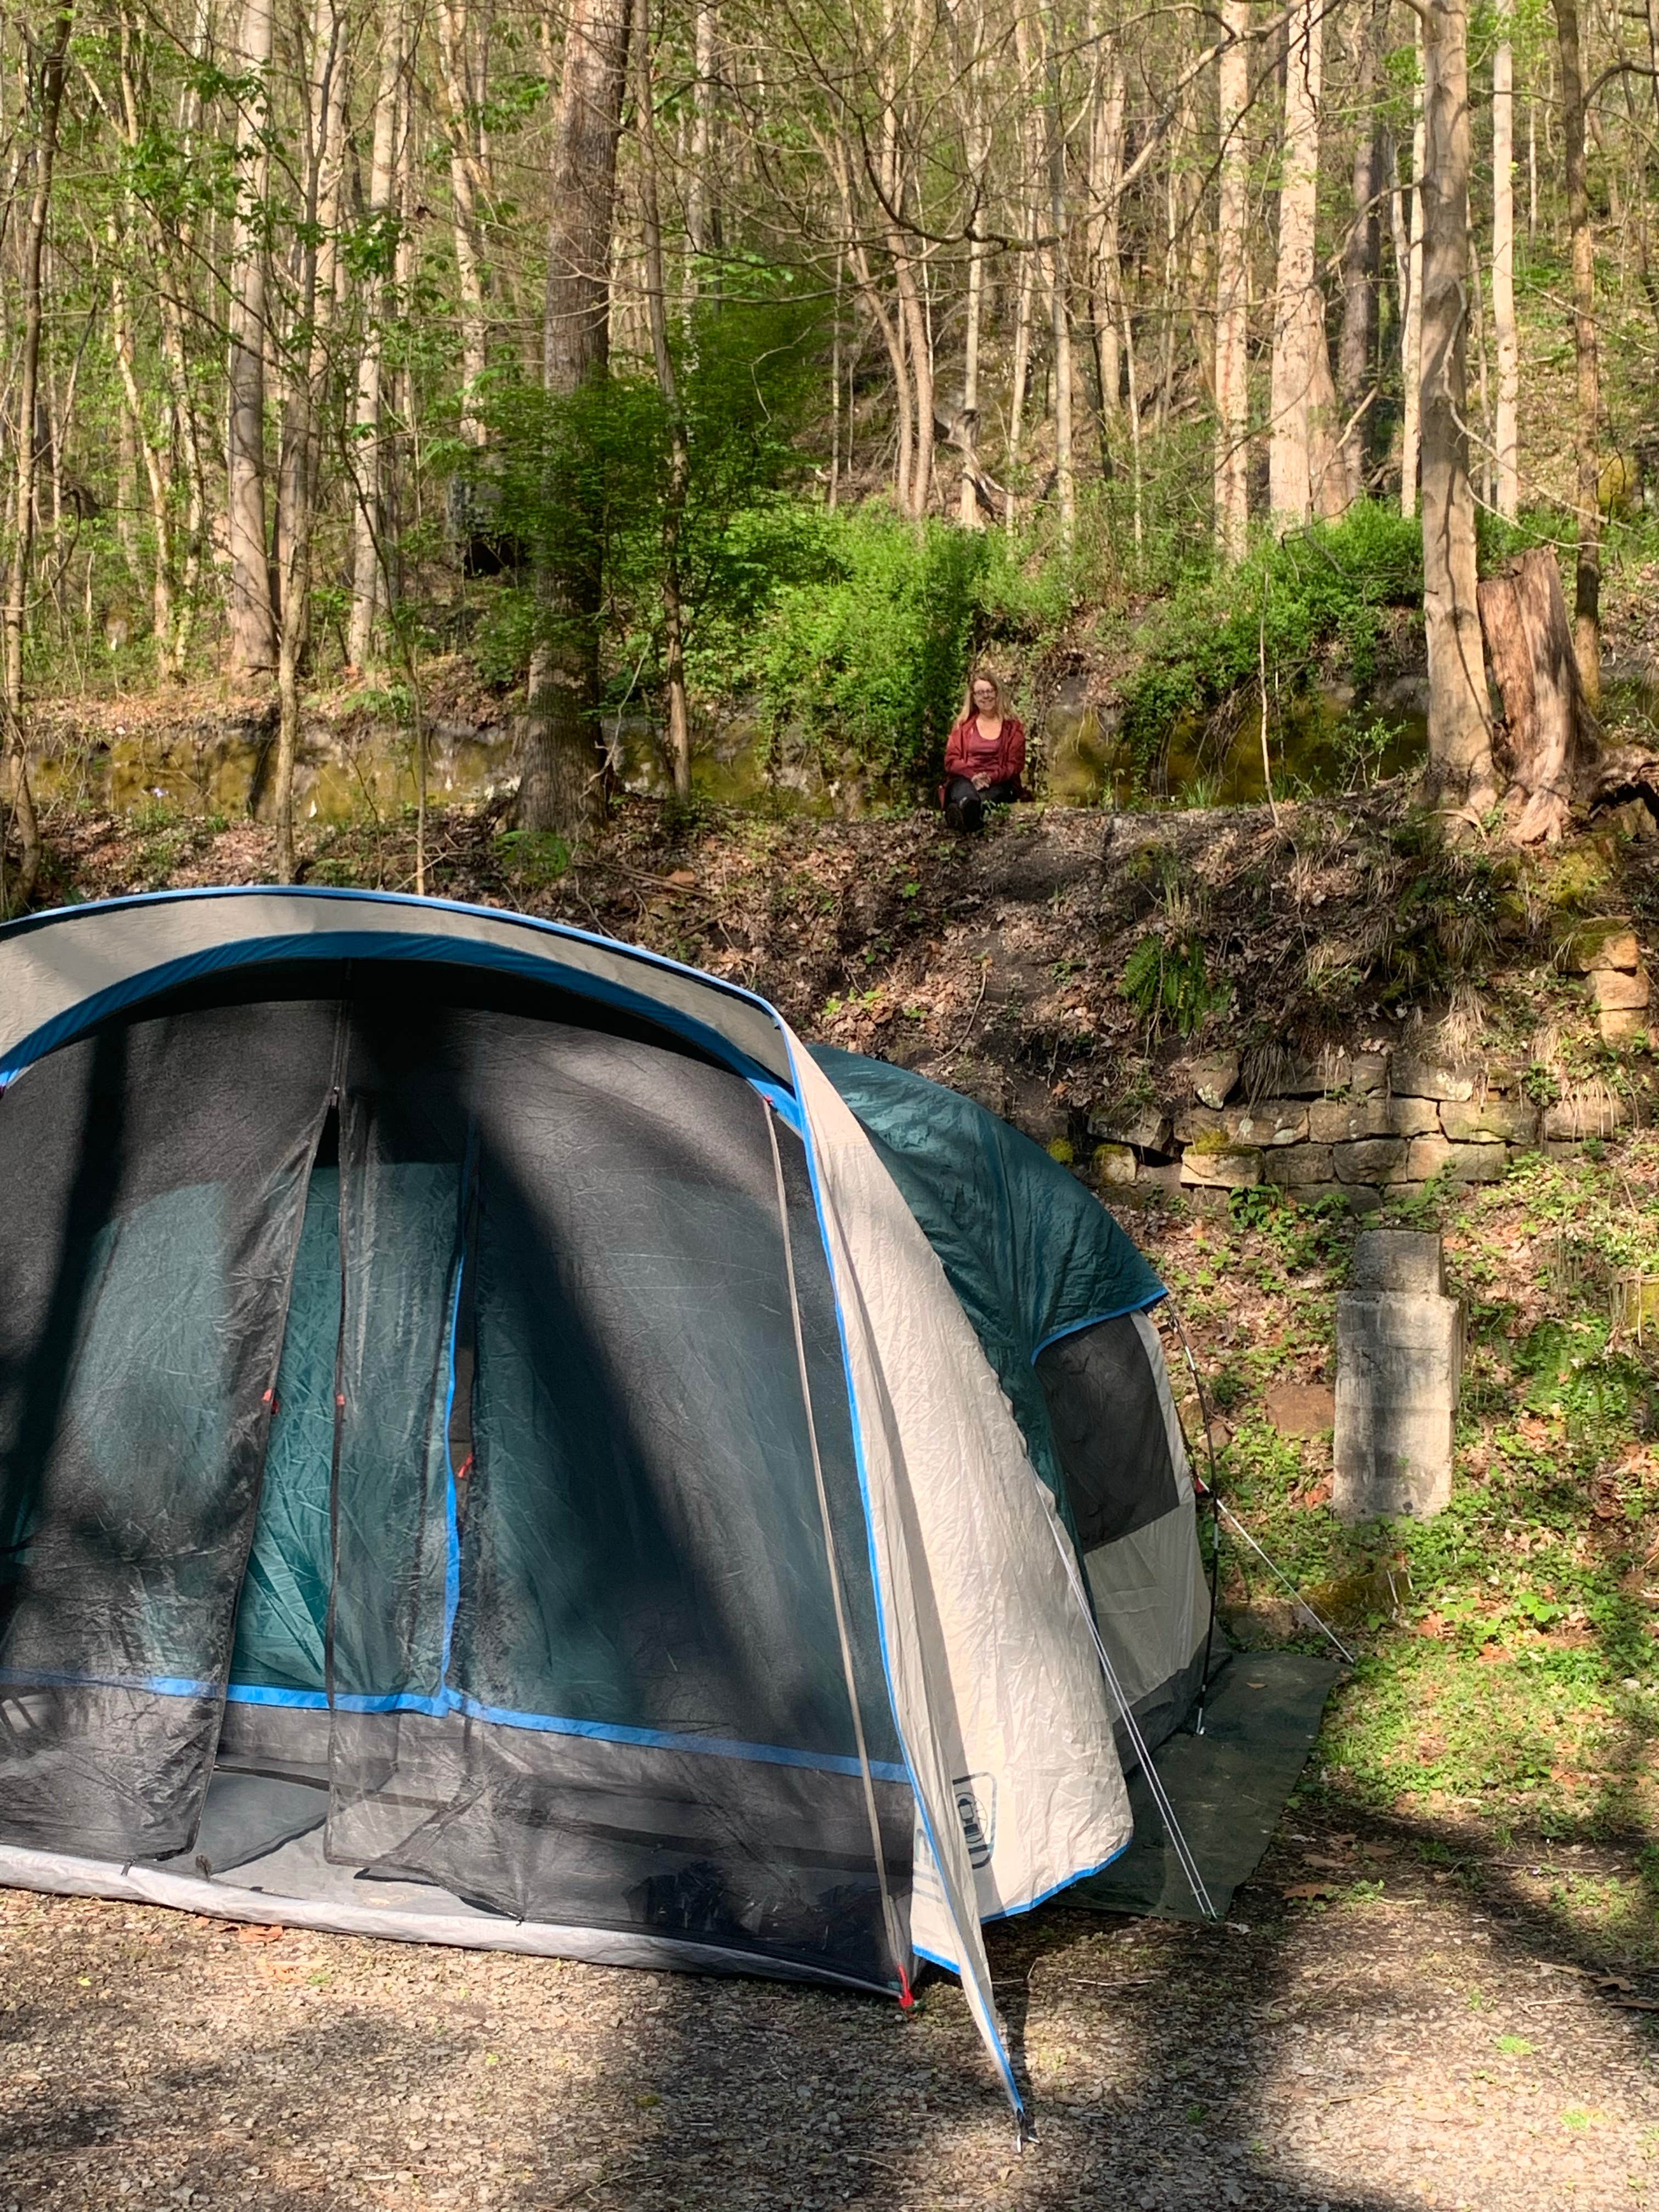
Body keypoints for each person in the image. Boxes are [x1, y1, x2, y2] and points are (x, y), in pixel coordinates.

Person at [941, 673, 1026, 833]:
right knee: (966, 792)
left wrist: (990, 778)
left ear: (997, 693)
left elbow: (1015, 765)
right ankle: (967, 812)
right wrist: (972, 775)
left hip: (999, 782)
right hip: (965, 779)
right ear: (973, 698)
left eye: (990, 691)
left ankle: (962, 815)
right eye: (980, 692)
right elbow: (951, 761)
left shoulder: (1013, 727)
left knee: (988, 798)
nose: (986, 696)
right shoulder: (963, 726)